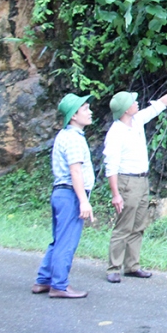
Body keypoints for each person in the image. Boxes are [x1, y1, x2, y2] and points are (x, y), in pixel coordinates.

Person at [103, 77, 167, 284]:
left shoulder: (136, 121)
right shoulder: (116, 132)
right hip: (127, 181)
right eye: (133, 102)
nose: (138, 103)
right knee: (124, 226)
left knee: (138, 225)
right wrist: (115, 194)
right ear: (126, 109)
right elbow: (110, 166)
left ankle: (132, 265)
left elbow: (159, 105)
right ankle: (113, 267)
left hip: (142, 180)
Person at [33, 93, 96, 299]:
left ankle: (43, 280)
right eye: (85, 109)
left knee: (58, 240)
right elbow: (75, 171)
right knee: (67, 241)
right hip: (70, 194)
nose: (90, 112)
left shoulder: (63, 135)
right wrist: (83, 201)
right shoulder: (73, 138)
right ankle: (59, 285)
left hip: (60, 193)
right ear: (74, 116)